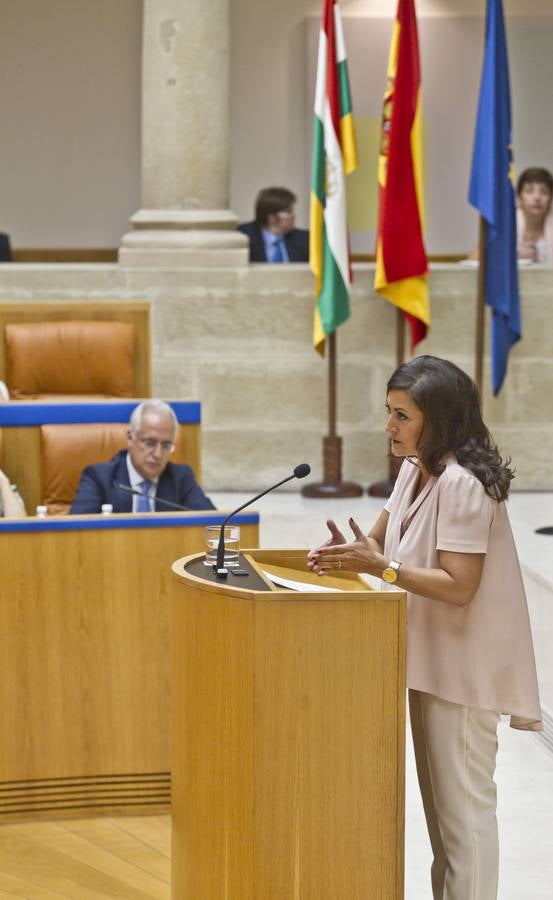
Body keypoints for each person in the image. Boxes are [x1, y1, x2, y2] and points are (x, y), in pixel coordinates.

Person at [308, 355, 542, 900]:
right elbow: (378, 542)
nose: (389, 427)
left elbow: (459, 584)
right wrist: (349, 554)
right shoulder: (416, 469)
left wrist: (379, 566)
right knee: (442, 824)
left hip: (463, 673)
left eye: (401, 416)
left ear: (438, 419)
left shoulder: (462, 484)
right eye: (389, 412)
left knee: (465, 822)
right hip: (426, 662)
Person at [70, 399, 215, 514]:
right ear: (130, 438)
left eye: (166, 445)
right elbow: (76, 534)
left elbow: (213, 524)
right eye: (150, 443)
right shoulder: (99, 478)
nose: (158, 454)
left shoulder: (181, 478)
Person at [238, 186, 309, 263]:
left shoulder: (305, 238)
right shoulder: (245, 236)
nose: (293, 216)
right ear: (272, 217)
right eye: (288, 212)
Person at [515, 166, 553, 263]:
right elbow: (477, 257)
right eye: (529, 191)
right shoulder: (506, 225)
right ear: (519, 198)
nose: (537, 198)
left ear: (550, 200)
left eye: (544, 192)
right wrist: (512, 253)